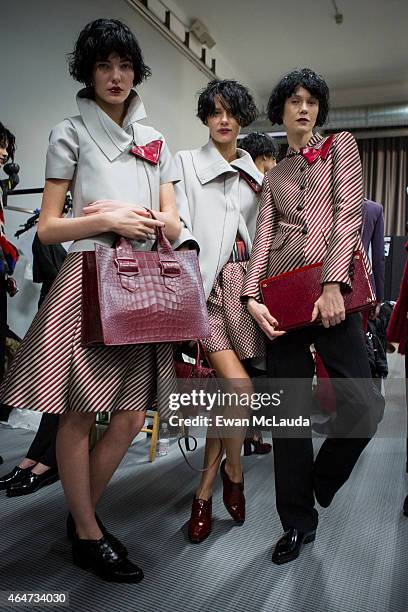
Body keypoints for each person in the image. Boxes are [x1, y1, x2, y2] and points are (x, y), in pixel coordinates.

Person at [0, 18, 181, 583]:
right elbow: (48, 228)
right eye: (104, 65)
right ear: (89, 71)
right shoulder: (68, 132)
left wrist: (149, 221)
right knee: (78, 416)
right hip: (89, 278)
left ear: (136, 72)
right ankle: (87, 531)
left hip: (144, 277)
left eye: (124, 65)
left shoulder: (157, 140)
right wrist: (103, 218)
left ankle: (82, 520)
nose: (116, 75)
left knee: (129, 417)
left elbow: (175, 221)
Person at [242, 68, 381, 564]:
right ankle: (296, 522)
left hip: (332, 294)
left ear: (319, 110)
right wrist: (252, 296)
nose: (304, 108)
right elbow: (263, 238)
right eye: (294, 101)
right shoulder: (273, 175)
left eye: (312, 101)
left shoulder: (341, 146)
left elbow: (346, 213)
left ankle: (319, 483)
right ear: (281, 110)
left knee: (364, 407)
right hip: (280, 300)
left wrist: (331, 284)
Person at [173, 80, 265, 542]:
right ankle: (235, 472)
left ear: (242, 118)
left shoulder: (256, 176)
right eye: (215, 111)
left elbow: (261, 235)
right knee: (239, 386)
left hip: (241, 290)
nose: (223, 119)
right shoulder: (186, 163)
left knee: (229, 399)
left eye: (231, 112)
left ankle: (205, 493)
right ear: (206, 117)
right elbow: (180, 223)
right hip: (203, 289)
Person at [239, 132, 280, 455]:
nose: (276, 165)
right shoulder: (258, 188)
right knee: (254, 366)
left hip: (238, 278)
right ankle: (248, 436)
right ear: (263, 158)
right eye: (272, 159)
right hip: (253, 280)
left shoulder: (239, 184)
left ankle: (249, 436)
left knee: (248, 367)